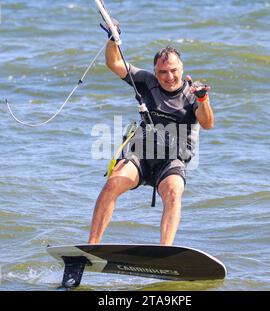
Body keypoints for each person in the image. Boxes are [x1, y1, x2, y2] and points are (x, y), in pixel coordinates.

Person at [88, 22, 214, 246]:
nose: (169, 76)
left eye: (174, 70)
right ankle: (91, 246)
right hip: (141, 156)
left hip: (172, 160)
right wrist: (112, 39)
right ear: (156, 71)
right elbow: (115, 63)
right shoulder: (147, 82)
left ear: (182, 68)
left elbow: (207, 123)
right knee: (112, 183)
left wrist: (203, 99)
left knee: (174, 192)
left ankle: (164, 251)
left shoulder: (193, 93)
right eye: (163, 72)